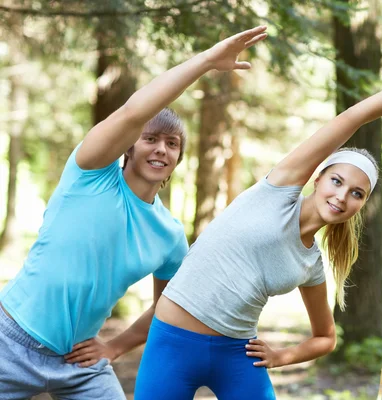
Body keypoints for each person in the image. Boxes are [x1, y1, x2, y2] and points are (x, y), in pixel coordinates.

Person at [133, 58, 382, 400]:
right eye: (336, 181)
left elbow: (325, 337)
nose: (342, 196)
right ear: (317, 177)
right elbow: (354, 117)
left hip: (237, 355)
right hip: (173, 343)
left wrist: (283, 356)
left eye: (357, 193)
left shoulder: (311, 263)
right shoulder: (276, 192)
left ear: (361, 205)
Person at [0, 26, 268, 399]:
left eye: (171, 144)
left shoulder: (169, 234)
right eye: (150, 138)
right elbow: (132, 111)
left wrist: (116, 346)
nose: (161, 149)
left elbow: (167, 304)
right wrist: (206, 62)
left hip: (78, 364)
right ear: (129, 146)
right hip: (9, 342)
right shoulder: (90, 174)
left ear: (177, 159)